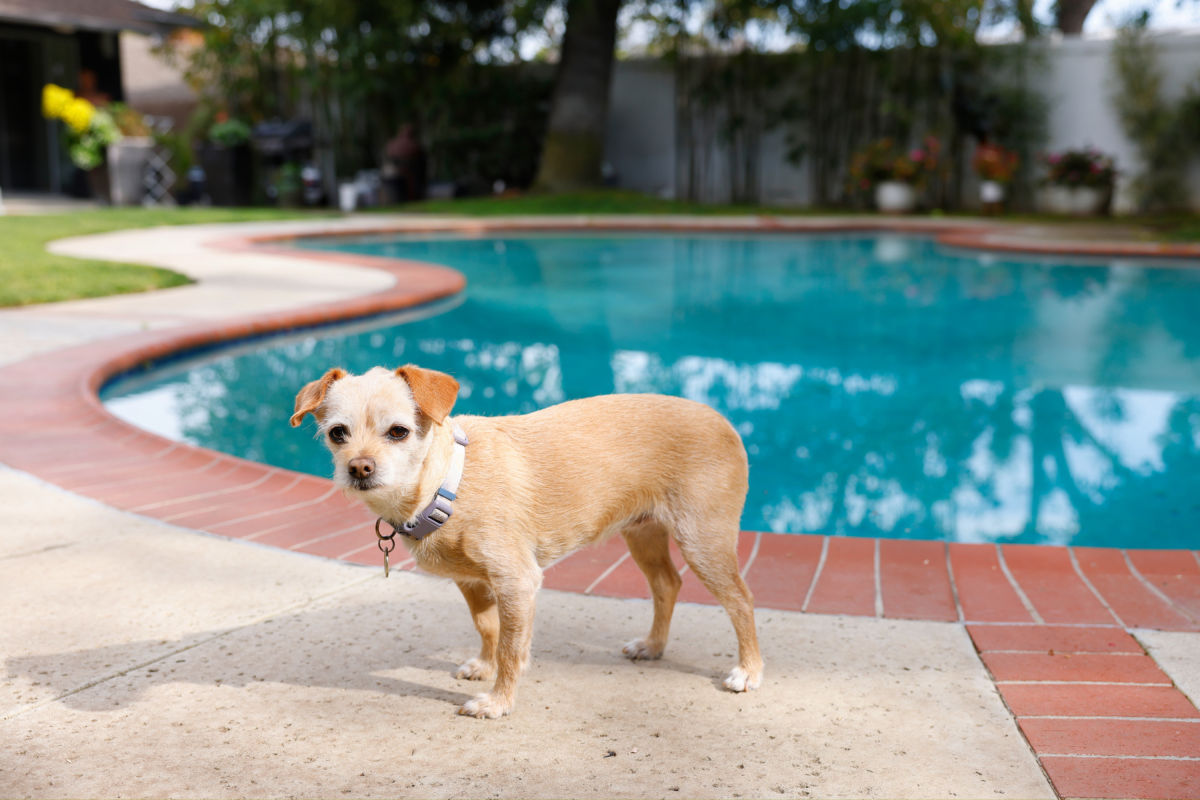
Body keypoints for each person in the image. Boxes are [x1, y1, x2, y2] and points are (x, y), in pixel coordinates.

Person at [384, 124, 426, 203]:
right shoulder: (414, 145)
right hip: (405, 172)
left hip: (398, 171)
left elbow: (389, 154)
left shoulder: (393, 143)